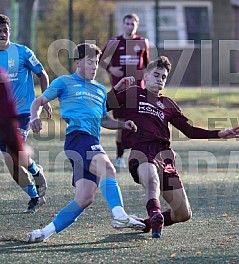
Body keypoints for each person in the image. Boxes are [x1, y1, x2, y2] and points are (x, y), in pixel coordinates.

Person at [106, 56, 239, 238]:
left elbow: (190, 131)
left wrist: (220, 133)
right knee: (152, 180)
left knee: (183, 213)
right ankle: (155, 214)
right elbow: (103, 105)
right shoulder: (133, 93)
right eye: (156, 75)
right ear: (145, 77)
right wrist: (116, 89)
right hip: (142, 150)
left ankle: (145, 223)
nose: (159, 79)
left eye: (163, 77)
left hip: (164, 156)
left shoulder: (168, 104)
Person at [27, 43, 145, 243]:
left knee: (84, 199)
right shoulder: (64, 82)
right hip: (78, 138)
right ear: (77, 62)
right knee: (108, 168)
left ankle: (43, 233)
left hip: (90, 141)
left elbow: (104, 120)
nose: (94, 66)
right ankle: (119, 216)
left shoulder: (99, 89)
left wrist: (123, 125)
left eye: (97, 62)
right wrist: (33, 117)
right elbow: (38, 102)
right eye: (90, 62)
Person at [0, 14, 50, 213]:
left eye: (5, 30)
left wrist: (44, 100)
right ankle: (34, 196)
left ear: (10, 31)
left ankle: (36, 172)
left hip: (22, 112)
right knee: (9, 162)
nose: (2, 34)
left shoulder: (22, 52)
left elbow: (42, 74)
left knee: (15, 152)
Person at [100, 13, 150, 169]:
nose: (130, 26)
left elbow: (147, 64)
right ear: (123, 25)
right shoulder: (115, 42)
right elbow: (100, 59)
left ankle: (141, 156)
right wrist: (111, 69)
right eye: (127, 23)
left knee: (140, 122)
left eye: (132, 24)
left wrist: (145, 77)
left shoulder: (142, 42)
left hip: (138, 90)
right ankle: (119, 156)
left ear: (137, 25)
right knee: (120, 123)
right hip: (119, 90)